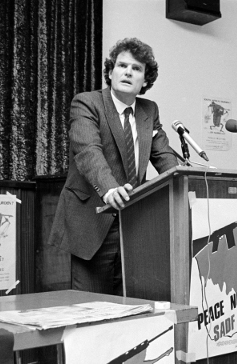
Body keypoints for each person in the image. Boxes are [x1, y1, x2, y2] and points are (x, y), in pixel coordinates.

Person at [48, 38, 178, 295]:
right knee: (91, 308)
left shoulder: (149, 110)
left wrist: (184, 186)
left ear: (145, 80)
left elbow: (165, 157)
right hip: (93, 218)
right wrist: (109, 188)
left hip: (136, 224)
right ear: (110, 72)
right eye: (122, 65)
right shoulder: (87, 102)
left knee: (130, 305)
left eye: (137, 68)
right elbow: (88, 151)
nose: (128, 72)